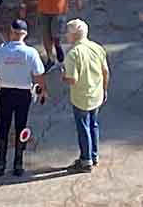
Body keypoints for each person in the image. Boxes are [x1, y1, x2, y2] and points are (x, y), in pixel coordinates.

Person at [0, 19, 48, 177]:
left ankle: (1, 162)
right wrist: (42, 91)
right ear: (25, 34)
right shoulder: (31, 53)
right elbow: (39, 75)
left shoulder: (1, 51)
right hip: (24, 94)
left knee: (4, 124)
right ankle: (18, 163)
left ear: (11, 32)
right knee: (21, 126)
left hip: (5, 92)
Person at [62, 19, 109, 173]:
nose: (66, 36)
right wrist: (104, 89)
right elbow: (105, 71)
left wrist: (63, 76)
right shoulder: (97, 48)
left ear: (74, 35)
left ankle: (85, 160)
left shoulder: (73, 54)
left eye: (68, 33)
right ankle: (94, 155)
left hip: (81, 97)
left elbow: (72, 79)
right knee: (93, 125)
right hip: (96, 95)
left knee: (83, 128)